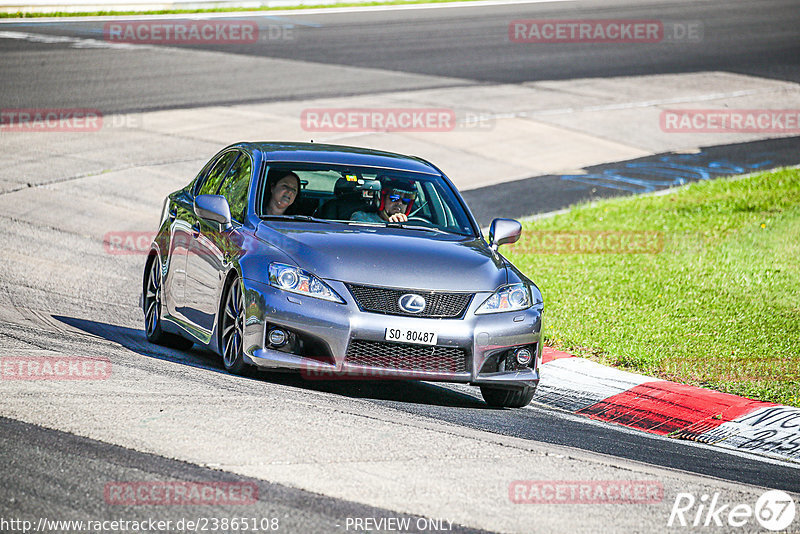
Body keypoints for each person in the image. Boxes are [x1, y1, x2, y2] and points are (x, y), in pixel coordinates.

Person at [351, 180, 416, 223]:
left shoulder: (412, 226)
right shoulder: (362, 218)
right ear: (382, 199)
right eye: (394, 197)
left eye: (406, 200)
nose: (400, 203)